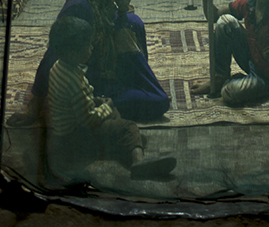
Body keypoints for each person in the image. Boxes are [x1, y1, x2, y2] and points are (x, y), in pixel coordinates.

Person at [32, 0, 170, 122]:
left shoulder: (100, 0)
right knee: (158, 101)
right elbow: (54, 53)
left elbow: (110, 30)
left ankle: (138, 85)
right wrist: (33, 107)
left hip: (106, 71)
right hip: (90, 84)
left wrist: (121, 12)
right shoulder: (79, 7)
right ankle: (106, 103)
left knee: (131, 21)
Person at [43, 17, 176, 181]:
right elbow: (88, 119)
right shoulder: (75, 81)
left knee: (114, 116)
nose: (91, 48)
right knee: (128, 127)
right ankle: (138, 162)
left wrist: (97, 102)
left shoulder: (58, 68)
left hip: (64, 133)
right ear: (72, 53)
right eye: (87, 45)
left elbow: (73, 104)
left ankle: (123, 143)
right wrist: (105, 107)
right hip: (77, 136)